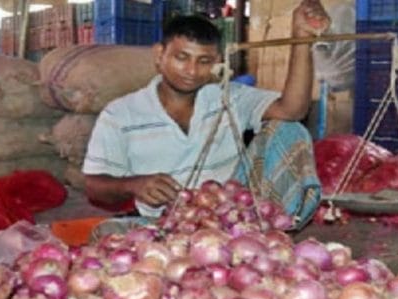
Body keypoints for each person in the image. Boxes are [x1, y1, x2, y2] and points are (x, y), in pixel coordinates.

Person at [82, 1, 330, 225]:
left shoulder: (229, 97)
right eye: (182, 57)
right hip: (164, 222)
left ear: (216, 62)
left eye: (204, 61)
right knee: (105, 234)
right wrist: (133, 185)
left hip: (232, 213)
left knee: (289, 129)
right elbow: (94, 186)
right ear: (159, 55)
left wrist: (302, 40)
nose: (192, 70)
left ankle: (272, 230)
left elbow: (292, 110)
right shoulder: (120, 115)